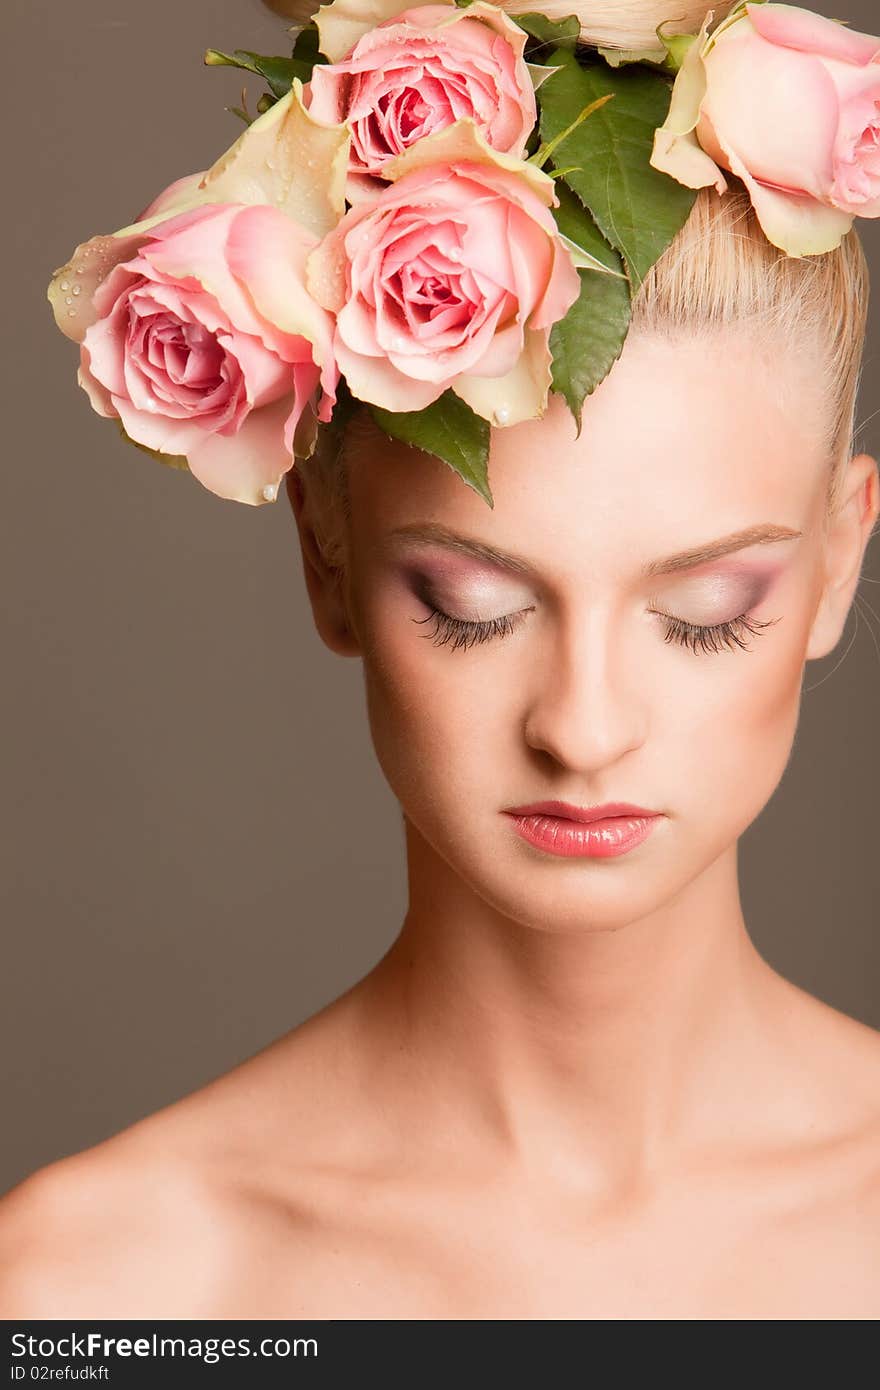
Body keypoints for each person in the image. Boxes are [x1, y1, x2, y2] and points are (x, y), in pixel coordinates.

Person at [2, 0, 879, 1319]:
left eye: (707, 607)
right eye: (473, 603)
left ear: (838, 562)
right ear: (328, 553)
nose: (583, 729)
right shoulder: (101, 1290)